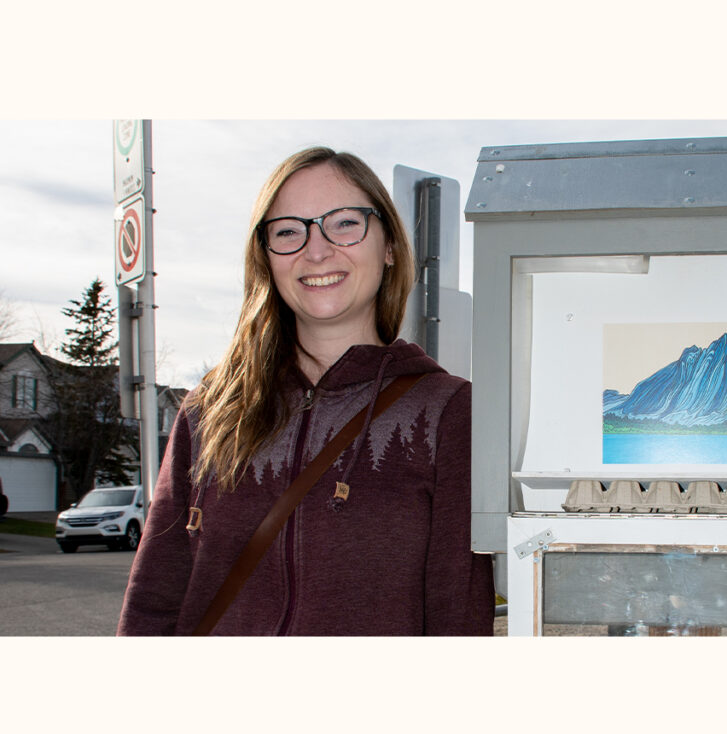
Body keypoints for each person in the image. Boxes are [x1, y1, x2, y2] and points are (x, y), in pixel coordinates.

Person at [117, 147, 494, 635]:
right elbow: (155, 598)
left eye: (343, 223)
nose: (316, 251)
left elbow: (457, 611)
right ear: (266, 258)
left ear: (390, 247)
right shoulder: (210, 409)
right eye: (289, 231)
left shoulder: (446, 411)